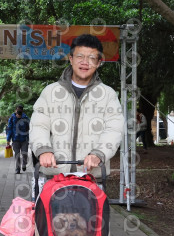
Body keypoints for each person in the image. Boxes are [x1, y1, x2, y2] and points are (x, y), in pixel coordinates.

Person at [29, 34, 123, 178]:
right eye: (80, 56)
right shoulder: (50, 92)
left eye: (91, 58)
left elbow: (114, 129)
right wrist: (44, 150)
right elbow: (39, 125)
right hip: (55, 176)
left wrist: (99, 154)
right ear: (71, 59)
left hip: (92, 177)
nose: (85, 62)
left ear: (98, 62)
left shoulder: (108, 94)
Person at [6, 104, 30, 174]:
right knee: (17, 155)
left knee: (24, 153)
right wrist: (8, 139)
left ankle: (24, 164)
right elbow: (9, 129)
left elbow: (29, 128)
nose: (18, 113)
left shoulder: (26, 118)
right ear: (15, 110)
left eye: (20, 111)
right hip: (15, 139)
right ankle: (17, 169)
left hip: (24, 139)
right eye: (17, 111)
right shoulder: (12, 118)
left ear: (22, 111)